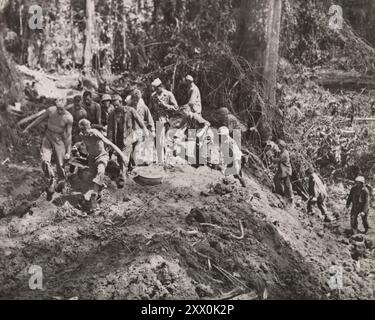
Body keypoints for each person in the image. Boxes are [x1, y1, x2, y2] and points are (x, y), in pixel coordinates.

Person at [24, 98, 73, 200]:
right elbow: (40, 119)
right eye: (58, 108)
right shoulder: (51, 110)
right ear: (56, 106)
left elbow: (68, 136)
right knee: (45, 160)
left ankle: (61, 183)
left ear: (66, 107)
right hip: (48, 137)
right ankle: (51, 180)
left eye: (61, 109)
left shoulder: (68, 118)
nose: (59, 111)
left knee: (60, 164)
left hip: (59, 140)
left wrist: (68, 152)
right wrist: (28, 128)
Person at [78, 119, 127, 210]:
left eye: (86, 130)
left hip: (102, 156)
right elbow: (81, 144)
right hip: (91, 158)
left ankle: (94, 197)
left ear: (89, 127)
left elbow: (110, 144)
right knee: (92, 178)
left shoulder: (95, 133)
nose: (85, 133)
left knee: (100, 171)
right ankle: (99, 193)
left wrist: (122, 155)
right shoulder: (81, 135)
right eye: (82, 131)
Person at [107, 94, 149, 188]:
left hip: (128, 137)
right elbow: (110, 129)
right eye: (114, 105)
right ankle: (126, 172)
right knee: (119, 158)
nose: (116, 107)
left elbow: (139, 121)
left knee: (123, 158)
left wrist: (145, 130)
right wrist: (109, 141)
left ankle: (122, 179)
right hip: (116, 139)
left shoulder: (130, 110)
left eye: (117, 105)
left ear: (121, 102)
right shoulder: (112, 113)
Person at [150, 78, 179, 163]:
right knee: (159, 140)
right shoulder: (153, 96)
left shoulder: (168, 94)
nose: (156, 90)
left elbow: (176, 108)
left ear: (161, 86)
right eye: (154, 88)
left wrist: (165, 105)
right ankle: (161, 159)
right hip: (157, 119)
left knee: (166, 140)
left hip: (167, 120)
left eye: (157, 88)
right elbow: (150, 109)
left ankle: (166, 159)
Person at [273, 139, 293, 204]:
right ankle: (280, 193)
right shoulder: (282, 151)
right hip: (282, 170)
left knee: (287, 184)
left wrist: (271, 158)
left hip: (286, 170)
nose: (278, 147)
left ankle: (289, 197)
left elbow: (279, 160)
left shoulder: (284, 153)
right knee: (276, 179)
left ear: (282, 146)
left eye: (279, 146)